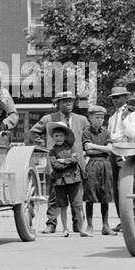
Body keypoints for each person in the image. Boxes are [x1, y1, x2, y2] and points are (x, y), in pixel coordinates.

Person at [30, 91, 90, 234]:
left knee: (76, 197)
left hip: (76, 164)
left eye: (70, 101)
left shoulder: (81, 119)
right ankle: (51, 224)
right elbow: (34, 132)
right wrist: (46, 147)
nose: (68, 103)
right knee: (54, 197)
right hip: (55, 165)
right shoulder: (48, 119)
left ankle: (77, 225)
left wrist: (86, 151)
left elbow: (88, 136)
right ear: (58, 103)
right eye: (64, 101)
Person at [105, 85, 135, 234]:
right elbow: (110, 135)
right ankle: (123, 219)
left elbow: (134, 135)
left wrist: (125, 120)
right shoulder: (112, 117)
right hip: (113, 152)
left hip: (126, 152)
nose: (115, 100)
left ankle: (133, 218)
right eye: (113, 98)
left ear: (125, 98)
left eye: (118, 97)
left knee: (126, 187)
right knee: (116, 189)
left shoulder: (132, 115)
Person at [44, 122, 87, 237]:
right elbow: (55, 166)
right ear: (53, 138)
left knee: (78, 205)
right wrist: (69, 161)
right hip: (60, 181)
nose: (58, 138)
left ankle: (82, 229)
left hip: (74, 179)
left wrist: (63, 161)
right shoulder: (52, 151)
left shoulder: (71, 147)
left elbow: (76, 159)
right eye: (56, 136)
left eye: (61, 136)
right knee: (63, 206)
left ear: (65, 137)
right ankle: (65, 229)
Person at [81, 102, 115, 235]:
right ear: (90, 118)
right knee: (90, 195)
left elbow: (110, 149)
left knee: (105, 195)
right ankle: (90, 226)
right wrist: (103, 149)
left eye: (102, 118)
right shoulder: (86, 132)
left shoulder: (106, 132)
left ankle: (105, 226)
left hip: (106, 165)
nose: (100, 120)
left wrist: (95, 148)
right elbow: (87, 147)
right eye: (97, 117)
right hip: (92, 165)